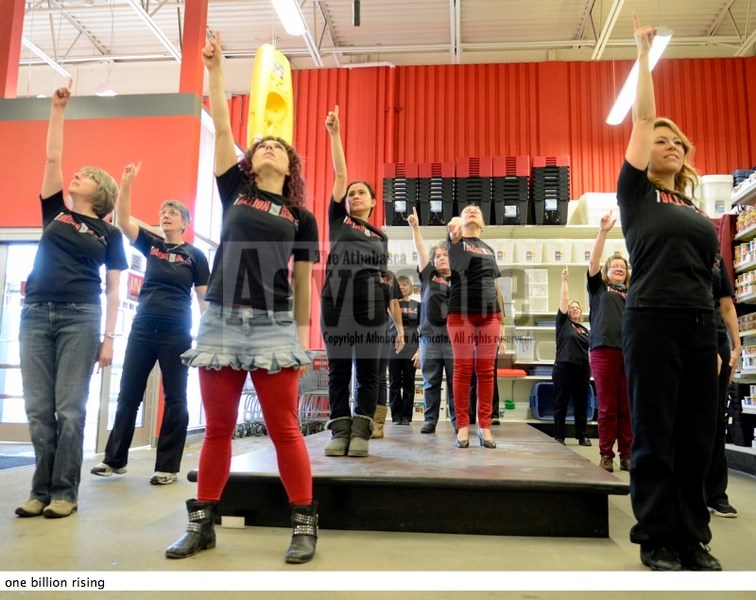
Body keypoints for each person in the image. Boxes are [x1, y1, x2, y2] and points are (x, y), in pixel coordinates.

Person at [165, 32, 319, 564]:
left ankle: (304, 525)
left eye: (279, 145)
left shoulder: (302, 217)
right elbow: (225, 127)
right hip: (222, 322)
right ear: (250, 163)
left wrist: (300, 337)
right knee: (219, 429)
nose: (270, 146)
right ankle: (202, 523)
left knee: (284, 428)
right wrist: (215, 72)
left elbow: (303, 282)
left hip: (276, 326)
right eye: (263, 146)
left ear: (290, 166)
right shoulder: (237, 190)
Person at [618, 13, 721, 571]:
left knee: (696, 436)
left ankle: (691, 535)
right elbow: (641, 118)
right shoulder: (636, 195)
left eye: (677, 140)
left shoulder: (695, 208)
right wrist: (642, 53)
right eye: (661, 140)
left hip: (698, 324)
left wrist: (725, 332)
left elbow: (711, 273)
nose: (670, 144)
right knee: (656, 433)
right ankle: (656, 536)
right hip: (651, 319)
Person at [15, 81, 128, 519]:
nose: (75, 176)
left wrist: (110, 337)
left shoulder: (109, 233)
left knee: (70, 409)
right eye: (76, 174)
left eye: (86, 176)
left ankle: (65, 492)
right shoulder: (55, 212)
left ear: (99, 192)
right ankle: (39, 491)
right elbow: (52, 157)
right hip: (34, 314)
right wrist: (57, 110)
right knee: (39, 410)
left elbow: (116, 287)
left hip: (82, 317)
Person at [91, 164, 209, 485]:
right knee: (129, 394)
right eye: (162, 211)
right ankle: (115, 460)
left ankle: (167, 467)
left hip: (177, 334)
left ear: (184, 222)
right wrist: (126, 184)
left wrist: (207, 337)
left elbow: (202, 300)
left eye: (172, 212)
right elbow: (124, 220)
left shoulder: (195, 256)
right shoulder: (152, 244)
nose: (166, 215)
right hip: (142, 330)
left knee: (176, 398)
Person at [321, 105, 403, 457]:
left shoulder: (380, 236)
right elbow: (340, 173)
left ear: (373, 202)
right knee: (339, 370)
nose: (354, 195)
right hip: (336, 302)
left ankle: (361, 432)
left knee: (368, 372)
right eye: (351, 193)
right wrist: (335, 134)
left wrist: (392, 319)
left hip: (370, 305)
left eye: (360, 193)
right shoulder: (339, 220)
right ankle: (340, 429)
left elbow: (384, 281)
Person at [446, 205, 506, 449]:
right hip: (461, 315)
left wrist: (502, 321)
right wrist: (453, 235)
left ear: (483, 223)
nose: (472, 211)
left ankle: (485, 426)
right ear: (460, 220)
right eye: (467, 210)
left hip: (490, 316)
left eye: (476, 211)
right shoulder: (457, 242)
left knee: (486, 371)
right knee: (462, 369)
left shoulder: (489, 249)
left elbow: (495, 285)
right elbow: (452, 244)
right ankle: (462, 425)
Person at [587, 213, 631, 472]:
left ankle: (627, 454)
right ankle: (606, 455)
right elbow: (593, 261)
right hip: (603, 350)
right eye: (614, 266)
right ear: (606, 272)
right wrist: (602, 232)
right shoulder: (599, 289)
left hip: (630, 352)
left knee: (627, 405)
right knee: (607, 406)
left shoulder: (633, 293)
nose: (619, 268)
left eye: (623, 267)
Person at [407, 208, 457, 434]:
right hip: (429, 339)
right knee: (430, 383)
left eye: (445, 255)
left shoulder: (459, 279)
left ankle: (459, 421)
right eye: (438, 256)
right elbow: (420, 251)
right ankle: (430, 421)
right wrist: (416, 228)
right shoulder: (429, 276)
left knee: (456, 384)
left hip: (454, 340)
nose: (441, 258)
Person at [705, 254, 740, 518]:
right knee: (690, 420)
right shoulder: (676, 249)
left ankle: (716, 494)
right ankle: (688, 494)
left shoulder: (717, 260)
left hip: (718, 341)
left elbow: (727, 306)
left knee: (716, 421)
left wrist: (737, 345)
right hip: (692, 337)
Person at [552, 267, 591, 447]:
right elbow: (564, 299)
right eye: (571, 307)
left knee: (581, 404)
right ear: (567, 311)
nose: (574, 309)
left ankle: (582, 436)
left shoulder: (585, 330)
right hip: (564, 368)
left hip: (582, 370)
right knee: (561, 403)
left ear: (581, 312)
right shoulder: (563, 323)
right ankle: (559, 436)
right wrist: (565, 281)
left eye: (577, 307)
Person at [388, 275, 420, 425]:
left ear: (410, 287)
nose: (402, 287)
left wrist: (420, 350)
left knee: (409, 383)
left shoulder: (417, 305)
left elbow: (423, 329)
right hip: (392, 348)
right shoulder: (390, 305)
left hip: (412, 349)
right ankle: (396, 416)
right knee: (394, 383)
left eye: (405, 284)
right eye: (399, 285)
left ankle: (407, 417)